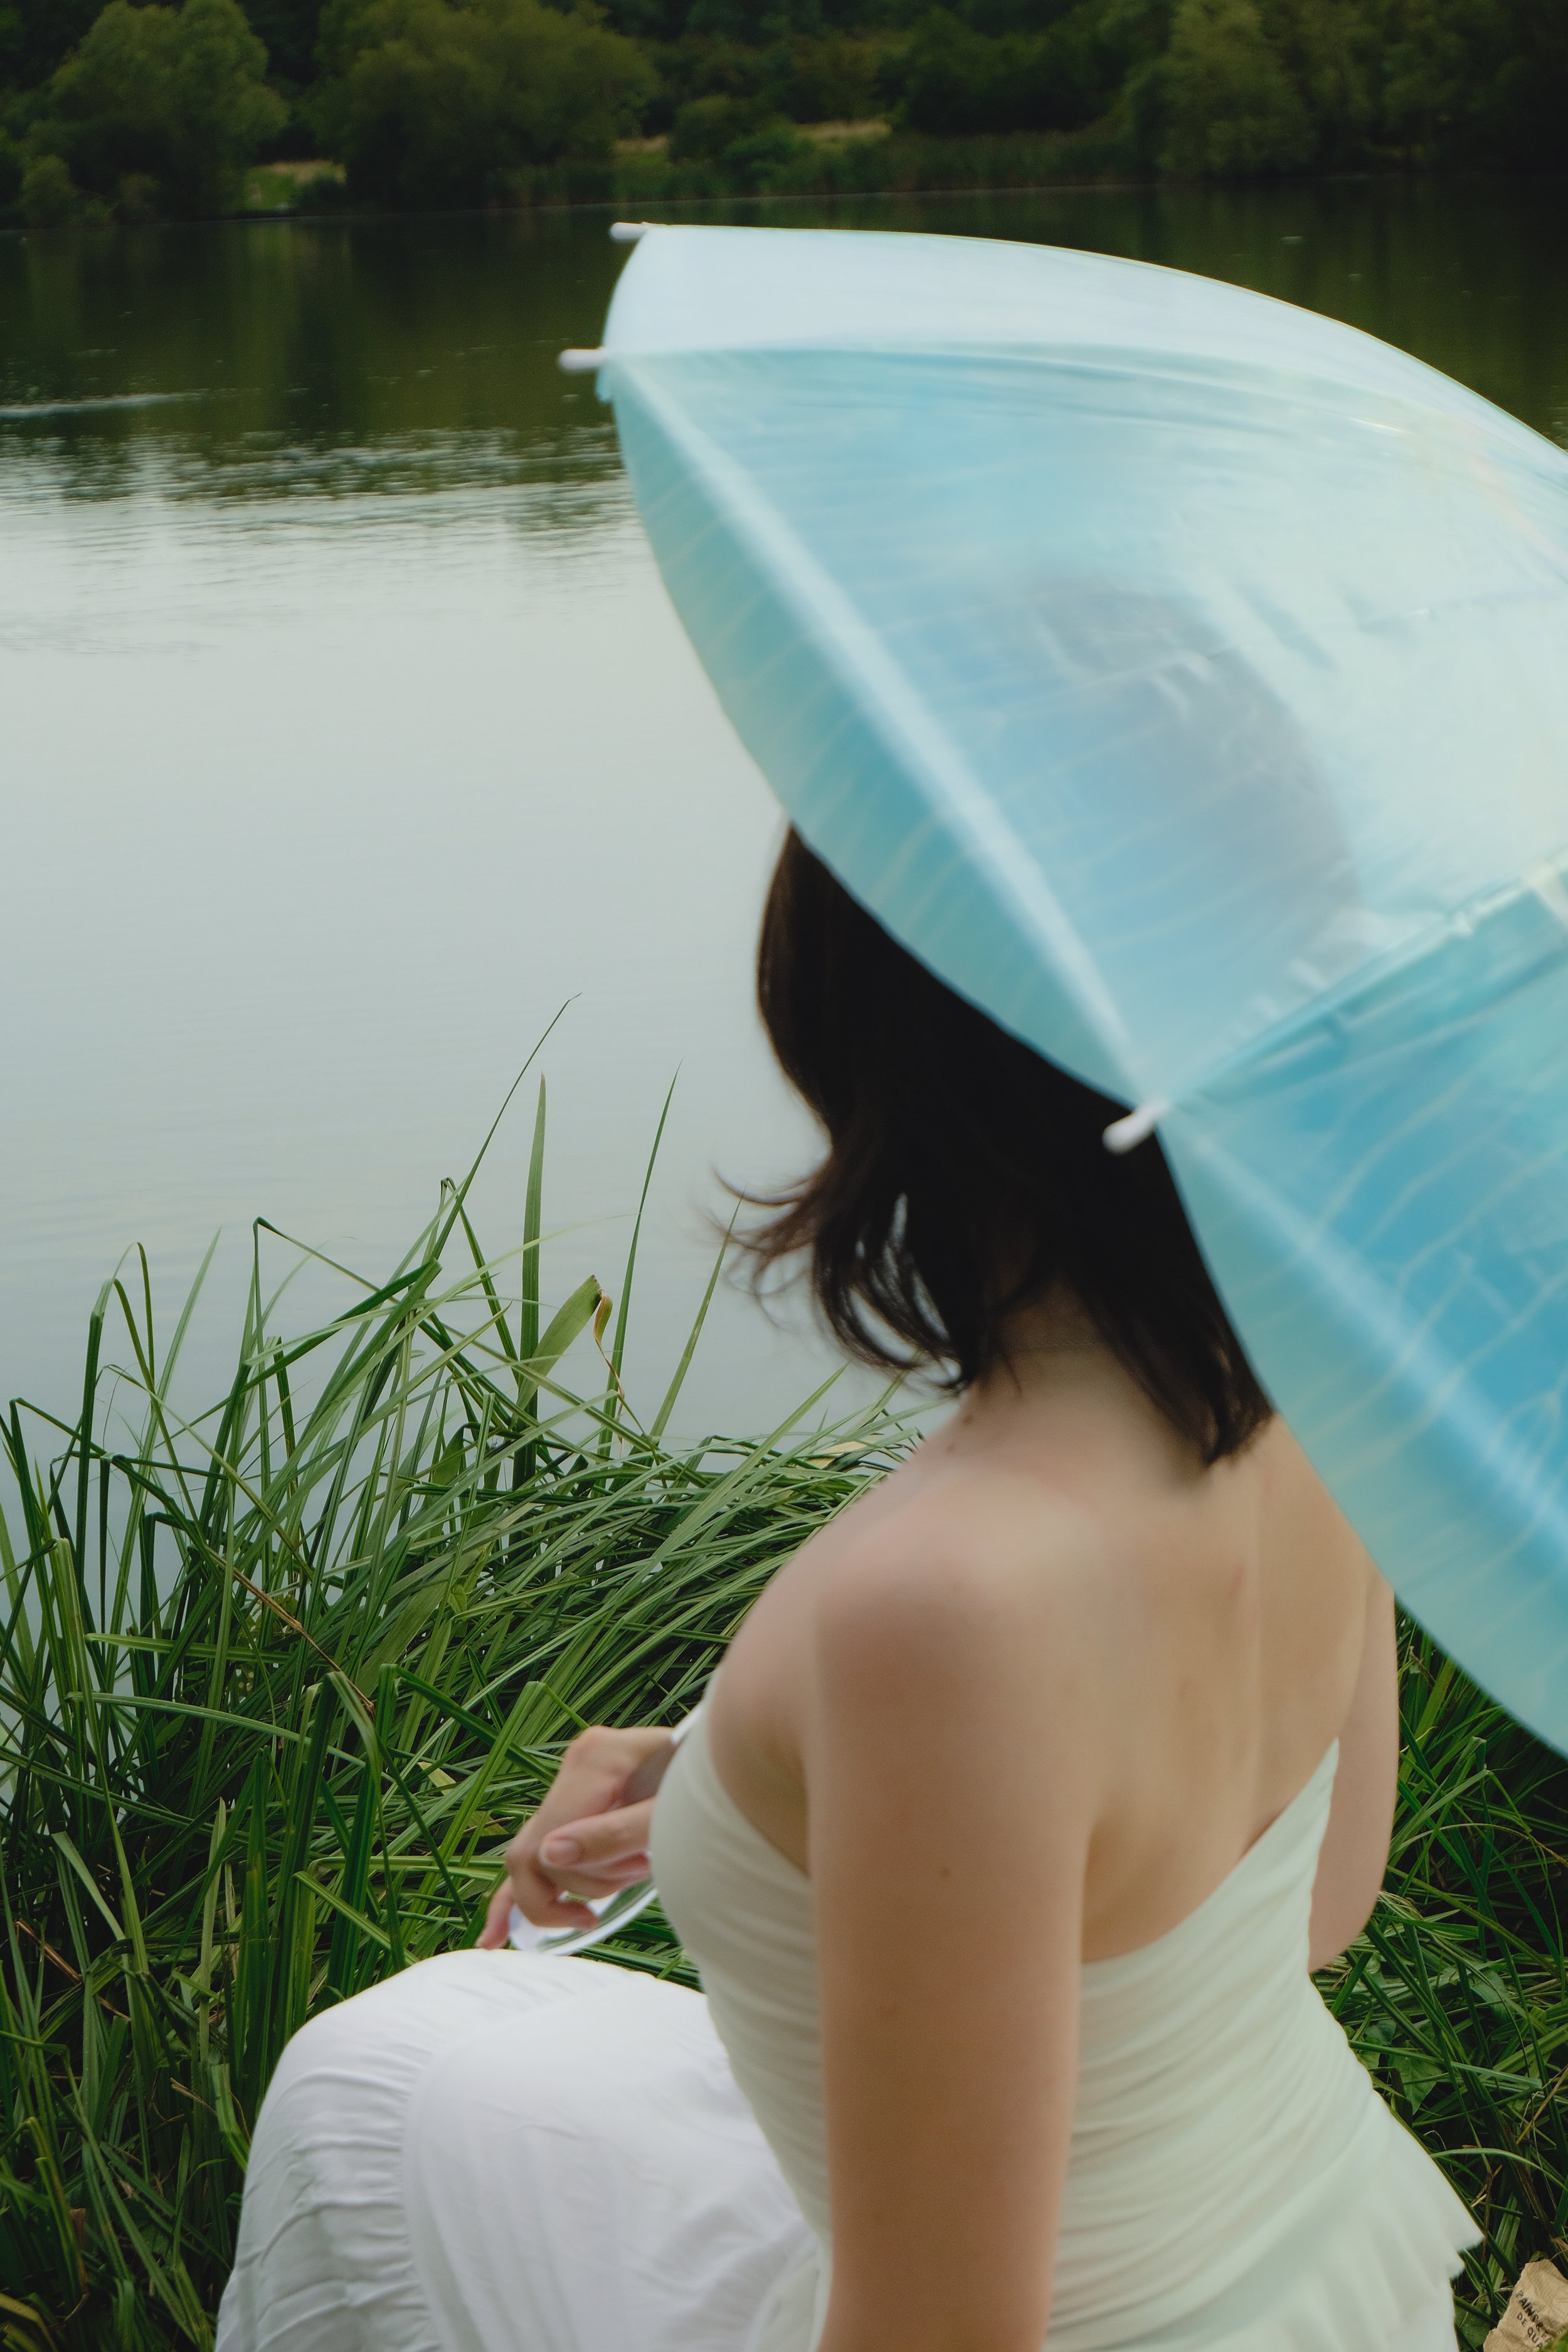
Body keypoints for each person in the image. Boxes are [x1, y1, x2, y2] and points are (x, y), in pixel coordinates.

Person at [217, 830, 1478, 2352]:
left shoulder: (942, 1600)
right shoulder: (1318, 1371)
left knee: (374, 2102)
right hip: (1329, 2266)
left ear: (879, 1029)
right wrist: (734, 1784)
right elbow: (1309, 1910)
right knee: (424, 2059)